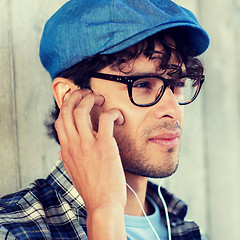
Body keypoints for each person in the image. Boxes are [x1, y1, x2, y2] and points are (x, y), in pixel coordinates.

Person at [0, 0, 209, 239]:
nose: (172, 109)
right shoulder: (14, 231)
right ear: (70, 96)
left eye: (176, 84)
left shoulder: (187, 231)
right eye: (142, 85)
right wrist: (104, 212)